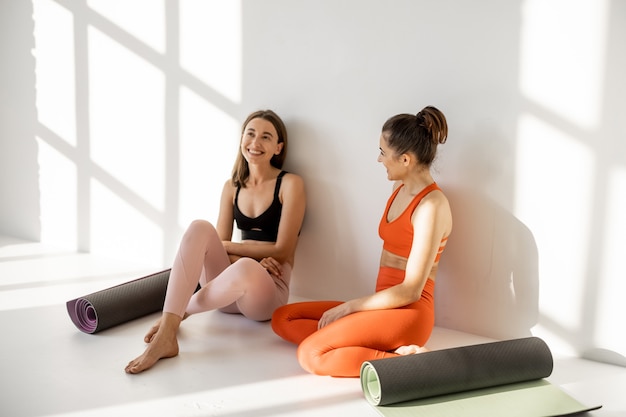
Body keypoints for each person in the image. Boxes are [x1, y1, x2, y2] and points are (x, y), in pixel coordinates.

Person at [271, 106, 451, 377]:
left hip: (408, 315)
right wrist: (353, 310)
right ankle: (379, 348)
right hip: (381, 307)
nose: (379, 160)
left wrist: (351, 306)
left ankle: (402, 363)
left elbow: (412, 290)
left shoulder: (431, 206)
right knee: (282, 319)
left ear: (405, 160)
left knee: (311, 354)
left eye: (383, 152)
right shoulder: (398, 189)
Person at [125, 109, 306, 374]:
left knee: (246, 268)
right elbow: (216, 244)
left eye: (266, 137)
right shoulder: (231, 187)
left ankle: (176, 318)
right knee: (200, 227)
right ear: (242, 139)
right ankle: (168, 332)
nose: (256, 143)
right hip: (227, 291)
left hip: (267, 292)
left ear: (278, 147)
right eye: (251, 134)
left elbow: (282, 250)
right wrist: (244, 254)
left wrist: (238, 253)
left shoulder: (290, 184)